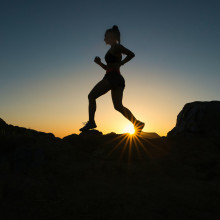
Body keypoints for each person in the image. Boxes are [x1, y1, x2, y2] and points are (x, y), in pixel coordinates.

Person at [80, 25, 145, 134]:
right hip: (117, 78)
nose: (104, 38)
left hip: (112, 77)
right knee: (118, 106)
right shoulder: (112, 48)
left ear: (111, 36)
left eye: (105, 36)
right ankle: (137, 123)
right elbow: (108, 67)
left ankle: (91, 122)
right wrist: (99, 63)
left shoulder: (116, 46)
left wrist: (121, 63)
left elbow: (131, 54)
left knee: (91, 96)